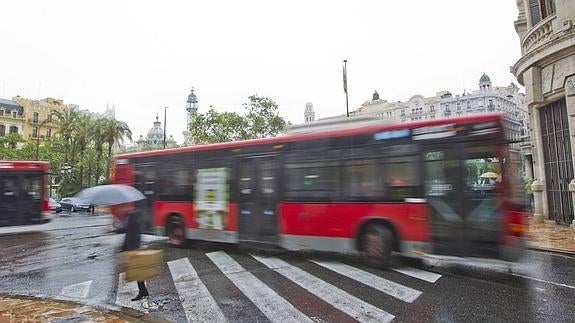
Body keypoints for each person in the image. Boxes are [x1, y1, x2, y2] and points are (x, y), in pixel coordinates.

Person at [114, 202, 149, 301]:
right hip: (129, 247)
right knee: (136, 270)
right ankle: (143, 291)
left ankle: (143, 291)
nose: (120, 209)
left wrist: (136, 248)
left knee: (136, 269)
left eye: (121, 207)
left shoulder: (134, 216)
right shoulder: (127, 216)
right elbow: (126, 232)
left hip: (134, 247)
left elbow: (137, 232)